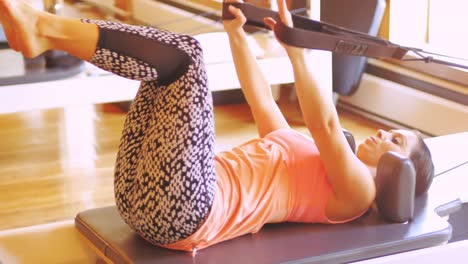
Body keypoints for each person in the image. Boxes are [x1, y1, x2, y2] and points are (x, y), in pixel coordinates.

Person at [0, 0, 434, 252]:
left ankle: (44, 30)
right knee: (163, 67)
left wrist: (298, 52)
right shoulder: (303, 151)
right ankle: (45, 32)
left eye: (394, 140)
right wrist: (236, 35)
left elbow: (324, 121)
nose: (381, 134)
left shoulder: (358, 193)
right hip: (144, 198)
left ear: (403, 169)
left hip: (189, 212)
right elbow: (260, 97)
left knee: (185, 57)